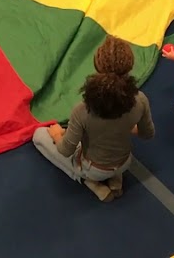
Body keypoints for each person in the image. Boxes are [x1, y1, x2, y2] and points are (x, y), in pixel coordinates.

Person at [33, 36, 155, 202]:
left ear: (97, 67)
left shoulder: (83, 110)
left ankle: (88, 181)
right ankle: (115, 180)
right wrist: (126, 126)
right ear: (130, 65)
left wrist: (56, 135)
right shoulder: (140, 100)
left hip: (94, 169)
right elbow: (147, 133)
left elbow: (65, 150)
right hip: (124, 162)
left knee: (39, 135)